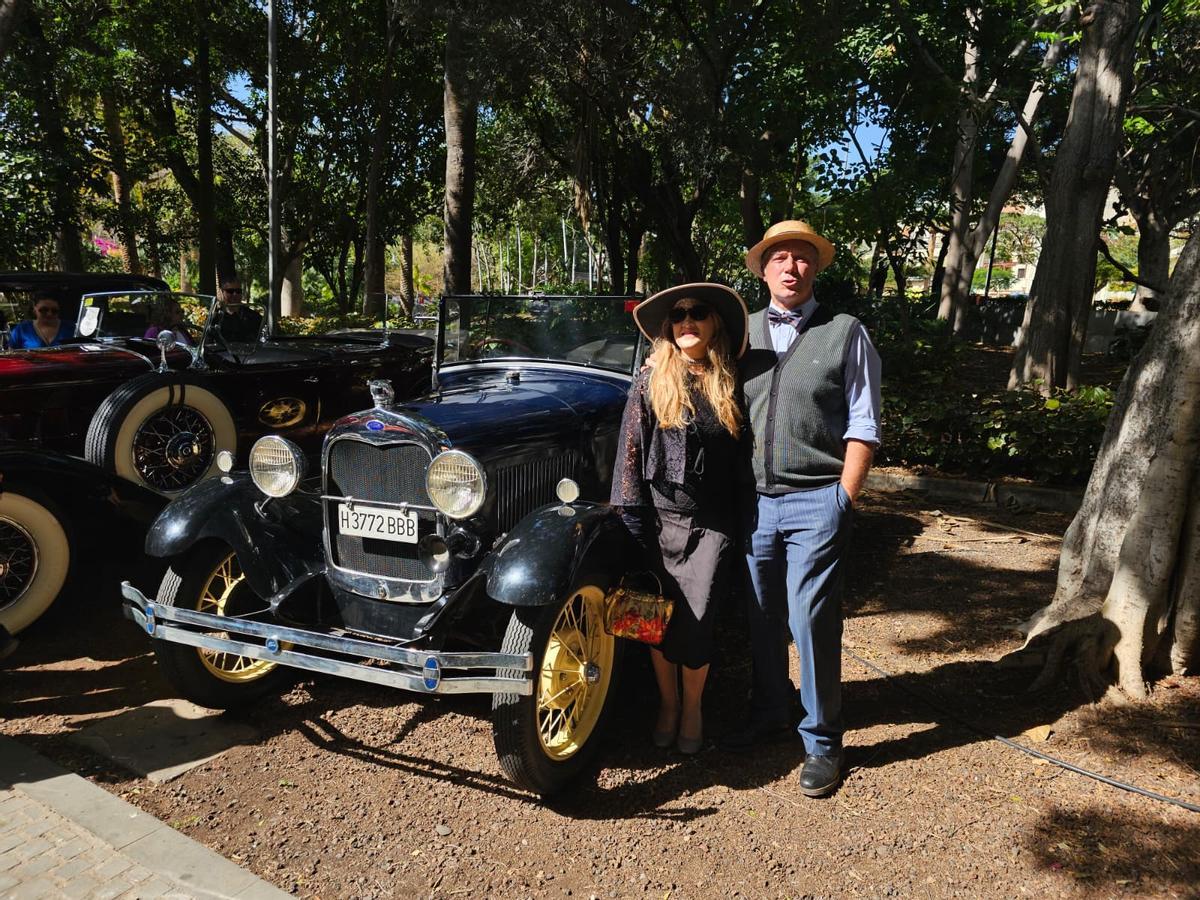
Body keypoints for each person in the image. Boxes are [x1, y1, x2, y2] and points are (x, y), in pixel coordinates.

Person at [725, 220, 881, 798]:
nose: (792, 268)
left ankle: (822, 741)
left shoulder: (844, 332)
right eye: (781, 258)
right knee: (762, 617)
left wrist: (843, 497)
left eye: (803, 259)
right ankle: (770, 711)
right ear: (763, 270)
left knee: (809, 620)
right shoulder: (741, 334)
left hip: (818, 499)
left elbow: (864, 422)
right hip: (754, 505)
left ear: (816, 269)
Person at [611, 282, 750, 755]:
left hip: (712, 523)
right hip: (658, 521)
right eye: (678, 315)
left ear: (715, 324)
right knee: (653, 620)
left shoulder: (731, 379)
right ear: (668, 329)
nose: (687, 320)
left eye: (698, 312)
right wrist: (630, 523)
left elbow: (742, 459)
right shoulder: (649, 378)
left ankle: (693, 707)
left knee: (697, 622)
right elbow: (629, 456)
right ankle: (667, 705)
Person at [8, 292, 73, 349]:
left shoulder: (71, 328)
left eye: (54, 311)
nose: (49, 314)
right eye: (44, 310)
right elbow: (11, 355)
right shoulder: (21, 329)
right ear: (34, 309)